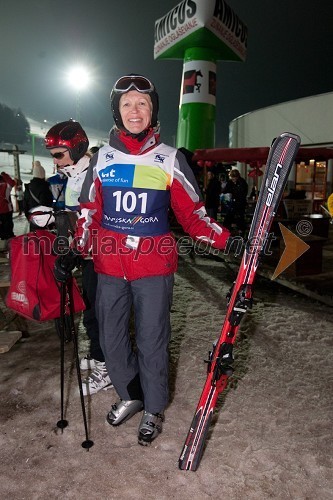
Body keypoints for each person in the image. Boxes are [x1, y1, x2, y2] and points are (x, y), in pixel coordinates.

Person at [54, 74, 231, 446]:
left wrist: (229, 241)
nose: (135, 110)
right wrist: (75, 248)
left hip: (153, 266)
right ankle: (131, 394)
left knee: (152, 340)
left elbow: (193, 216)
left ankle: (153, 407)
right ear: (117, 112)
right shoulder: (101, 159)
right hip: (108, 266)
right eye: (127, 104)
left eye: (143, 104)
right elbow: (89, 213)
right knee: (112, 338)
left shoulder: (170, 159)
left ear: (153, 112)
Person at [44, 120, 111, 396]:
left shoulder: (93, 173)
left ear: (77, 147)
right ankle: (97, 355)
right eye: (53, 156)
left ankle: (107, 367)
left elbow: (98, 219)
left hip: (102, 256)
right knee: (90, 312)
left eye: (59, 154)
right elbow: (75, 217)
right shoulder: (74, 173)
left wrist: (76, 249)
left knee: (101, 313)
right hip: (85, 253)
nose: (56, 161)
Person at [23, 161, 54, 230]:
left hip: (33, 218)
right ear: (43, 175)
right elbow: (48, 204)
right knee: (46, 238)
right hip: (45, 219)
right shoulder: (46, 187)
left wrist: (28, 216)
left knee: (35, 237)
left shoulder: (28, 187)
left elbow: (25, 204)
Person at [221, 169, 248, 234]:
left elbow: (243, 193)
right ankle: (228, 231)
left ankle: (241, 231)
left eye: (234, 178)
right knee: (229, 218)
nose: (233, 180)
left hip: (240, 203)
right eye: (232, 178)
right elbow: (225, 190)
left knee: (239, 217)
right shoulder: (231, 183)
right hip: (233, 203)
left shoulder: (242, 183)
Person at [0, 171, 15, 240]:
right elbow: (12, 183)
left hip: (5, 209)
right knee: (8, 226)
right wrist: (5, 175)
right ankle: (9, 240)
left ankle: (3, 239)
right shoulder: (6, 184)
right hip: (7, 209)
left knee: (2, 227)